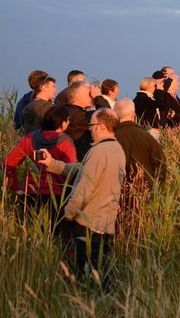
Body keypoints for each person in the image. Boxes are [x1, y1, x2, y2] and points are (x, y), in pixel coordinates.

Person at [39, 108, 125, 291]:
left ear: (101, 127)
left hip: (89, 222)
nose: (89, 129)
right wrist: (53, 164)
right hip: (105, 221)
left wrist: (69, 213)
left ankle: (91, 306)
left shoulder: (99, 151)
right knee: (102, 270)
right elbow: (81, 169)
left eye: (92, 126)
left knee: (88, 272)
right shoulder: (116, 148)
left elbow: (84, 187)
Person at [4, 106, 77, 230]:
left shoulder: (29, 138)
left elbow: (8, 162)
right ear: (63, 123)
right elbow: (70, 172)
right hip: (57, 198)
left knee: (31, 237)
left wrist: (15, 188)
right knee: (54, 239)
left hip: (31, 195)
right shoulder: (66, 142)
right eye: (68, 119)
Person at [114, 99, 166, 220]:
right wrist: (156, 186)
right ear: (133, 114)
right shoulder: (147, 137)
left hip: (120, 194)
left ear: (116, 115)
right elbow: (161, 164)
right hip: (146, 191)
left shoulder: (113, 137)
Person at [64, 81, 100, 161]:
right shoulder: (77, 115)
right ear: (77, 95)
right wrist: (98, 97)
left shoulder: (66, 110)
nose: (92, 96)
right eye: (89, 94)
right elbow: (106, 115)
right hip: (76, 162)